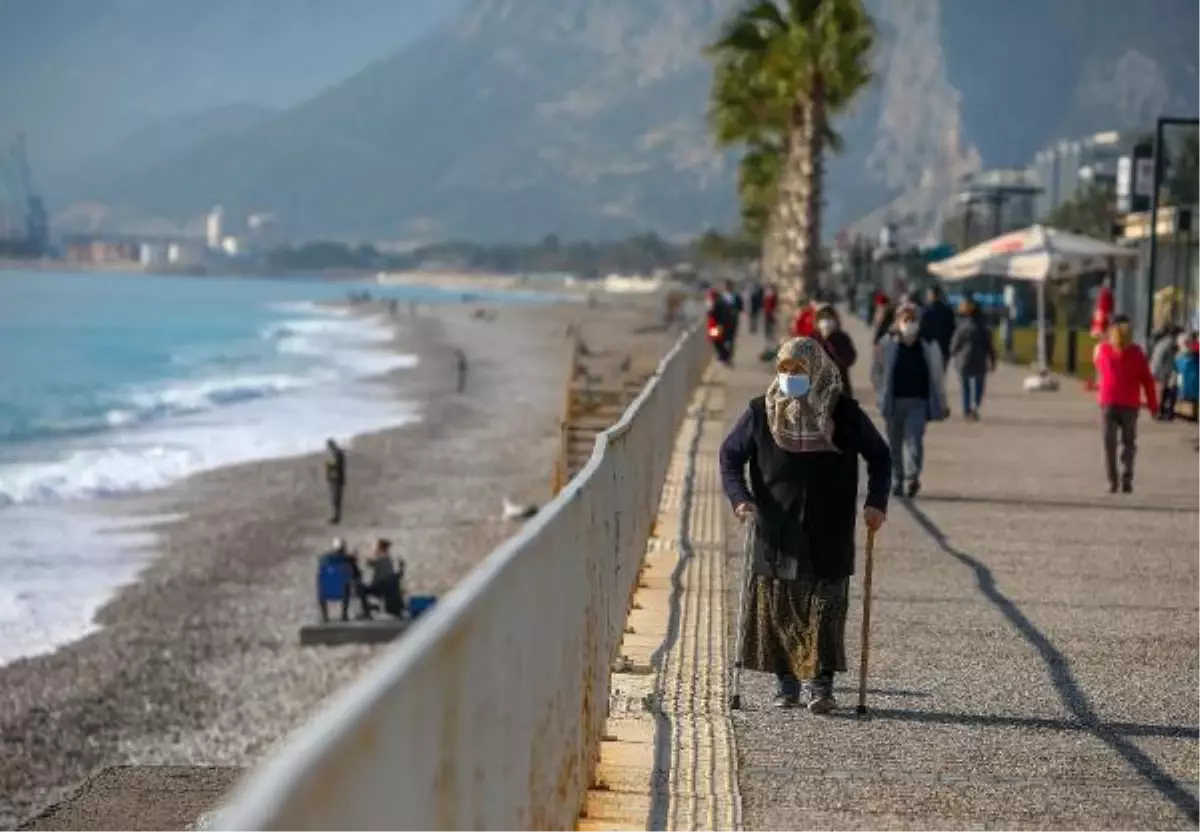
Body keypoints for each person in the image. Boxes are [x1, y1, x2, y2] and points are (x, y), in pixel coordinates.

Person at [719, 337, 890, 712]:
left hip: (830, 527)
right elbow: (730, 456)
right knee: (781, 608)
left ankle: (822, 684)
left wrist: (876, 503)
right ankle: (787, 684)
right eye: (784, 369)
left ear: (816, 369)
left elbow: (880, 456)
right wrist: (741, 499)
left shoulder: (844, 414)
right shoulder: (761, 412)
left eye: (798, 370)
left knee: (826, 606)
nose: (790, 377)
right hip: (776, 528)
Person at [876, 303, 947, 497]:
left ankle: (912, 477)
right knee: (894, 443)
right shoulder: (887, 344)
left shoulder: (928, 346)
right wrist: (880, 392)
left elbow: (938, 374)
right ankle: (897, 478)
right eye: (905, 319)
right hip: (893, 401)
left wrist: (942, 399)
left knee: (914, 440)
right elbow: (877, 371)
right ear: (897, 322)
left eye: (913, 319)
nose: (909, 323)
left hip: (918, 401)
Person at [1092, 313, 1157, 494]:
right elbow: (1147, 380)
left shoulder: (1103, 350)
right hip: (1130, 404)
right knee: (1128, 443)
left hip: (1109, 402)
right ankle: (1126, 477)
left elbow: (1097, 365)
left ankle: (1112, 481)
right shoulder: (1137, 353)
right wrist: (1153, 405)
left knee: (1109, 444)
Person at [949, 297, 997, 420]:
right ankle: (975, 406)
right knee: (979, 386)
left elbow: (955, 344)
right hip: (980, 360)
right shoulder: (984, 327)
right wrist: (992, 360)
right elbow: (989, 345)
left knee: (965, 388)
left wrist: (953, 354)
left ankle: (966, 410)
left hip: (963, 361)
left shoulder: (962, 326)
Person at [317, 538, 371, 622]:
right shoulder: (348, 561)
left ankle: (325, 616)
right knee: (355, 586)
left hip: (327, 592)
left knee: (322, 585)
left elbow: (321, 575)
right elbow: (357, 575)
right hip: (342, 592)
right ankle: (345, 615)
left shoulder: (325, 560)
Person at [813, 304, 857, 398]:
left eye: (829, 318)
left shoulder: (842, 338)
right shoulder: (813, 338)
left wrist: (832, 345)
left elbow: (849, 360)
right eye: (823, 318)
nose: (826, 322)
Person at [362, 538, 406, 618]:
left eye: (375, 547)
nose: (374, 549)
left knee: (360, 588)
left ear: (380, 548)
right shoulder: (388, 558)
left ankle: (366, 610)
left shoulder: (381, 558)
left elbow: (369, 563)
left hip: (380, 587)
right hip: (387, 587)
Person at [919, 285, 956, 369]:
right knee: (940, 373)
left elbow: (921, 329)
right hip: (942, 346)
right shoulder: (947, 311)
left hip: (930, 346)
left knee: (930, 372)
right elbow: (952, 328)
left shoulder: (925, 311)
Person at [1149, 326, 1181, 420]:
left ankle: (1160, 411)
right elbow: (1171, 360)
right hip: (1161, 369)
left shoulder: (1163, 341)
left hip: (1155, 367)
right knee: (1166, 389)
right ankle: (1161, 412)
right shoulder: (1171, 342)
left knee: (1162, 390)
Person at [324, 439, 347, 524]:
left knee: (336, 499)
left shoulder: (337, 454)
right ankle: (335, 516)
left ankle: (336, 517)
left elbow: (336, 466)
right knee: (335, 499)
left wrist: (329, 466)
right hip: (335, 479)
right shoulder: (337, 454)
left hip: (336, 479)